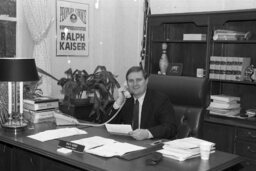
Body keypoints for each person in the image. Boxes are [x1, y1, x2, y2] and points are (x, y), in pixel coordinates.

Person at [110, 66, 177, 140]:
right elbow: (109, 125)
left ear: (146, 81)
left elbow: (170, 127)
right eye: (131, 81)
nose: (135, 84)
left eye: (139, 80)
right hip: (128, 143)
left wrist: (147, 133)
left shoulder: (160, 100)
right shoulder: (126, 100)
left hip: (149, 144)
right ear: (127, 84)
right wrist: (118, 103)